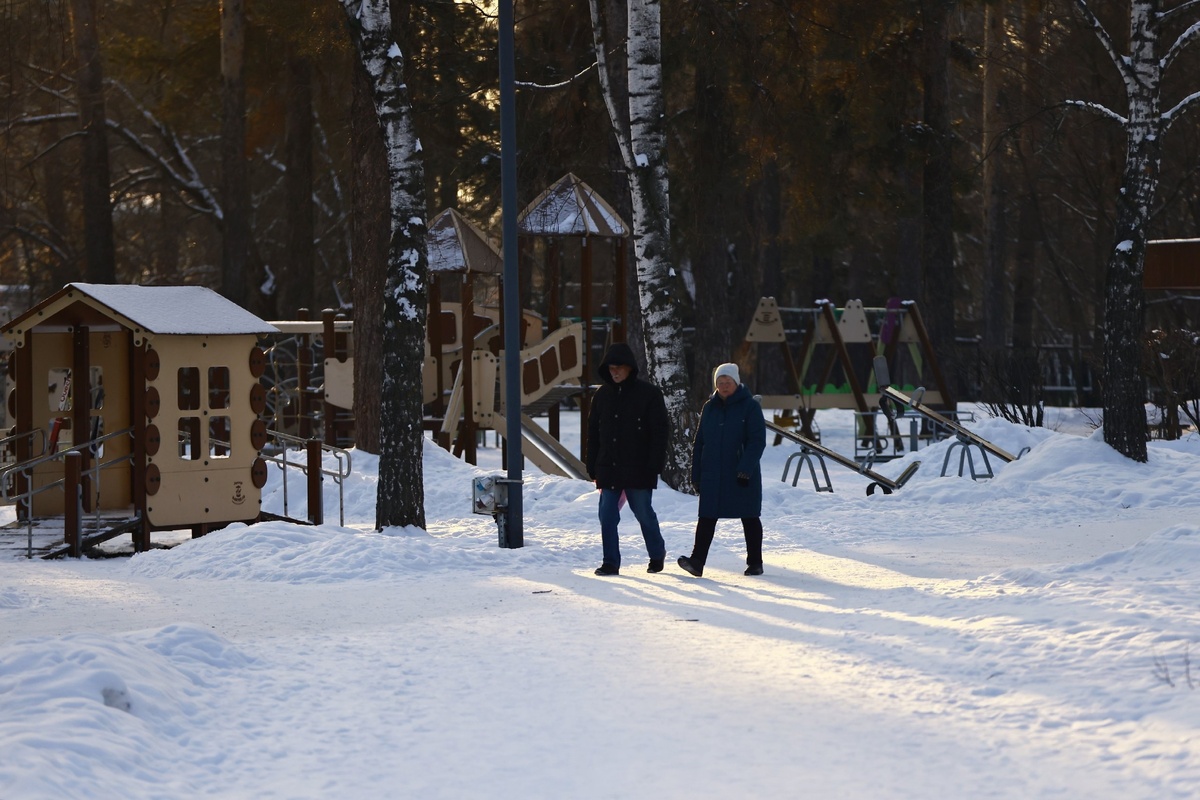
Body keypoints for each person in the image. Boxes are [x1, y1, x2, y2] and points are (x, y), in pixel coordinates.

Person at [586, 342, 669, 576]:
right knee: (607, 516)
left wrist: (654, 464)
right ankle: (610, 562)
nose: (615, 372)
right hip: (608, 467)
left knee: (643, 513)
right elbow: (593, 433)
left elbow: (659, 432)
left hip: (639, 467)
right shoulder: (601, 395)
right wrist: (592, 465)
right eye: (611, 368)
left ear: (630, 368)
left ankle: (656, 553)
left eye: (619, 367)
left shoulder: (649, 394)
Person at [678, 362, 767, 577]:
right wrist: (696, 475)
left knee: (749, 517)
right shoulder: (709, 408)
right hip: (713, 474)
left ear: (737, 383)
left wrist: (745, 468)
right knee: (707, 517)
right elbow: (699, 443)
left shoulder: (750, 407)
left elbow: (757, 441)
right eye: (720, 382)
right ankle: (697, 562)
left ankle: (755, 562)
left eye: (728, 382)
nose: (724, 386)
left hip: (741, 474)